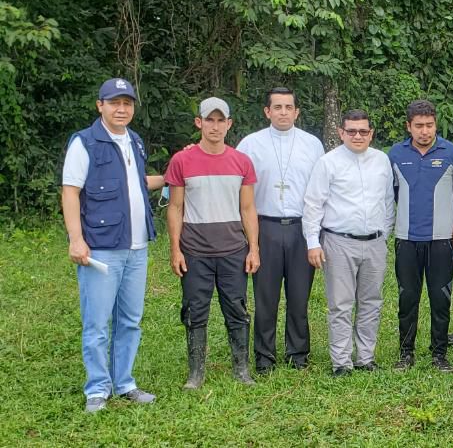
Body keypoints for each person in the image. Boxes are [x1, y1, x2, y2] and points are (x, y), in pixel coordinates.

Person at [61, 78, 165, 412]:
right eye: (114, 103)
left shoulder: (134, 141)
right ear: (100, 106)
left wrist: (173, 175)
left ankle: (124, 383)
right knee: (97, 322)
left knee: (130, 320)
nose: (122, 109)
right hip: (102, 248)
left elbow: (137, 183)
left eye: (127, 103)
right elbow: (70, 191)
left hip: (137, 248)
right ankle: (97, 389)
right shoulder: (85, 143)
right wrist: (76, 239)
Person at [165, 97, 260, 388]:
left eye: (221, 121)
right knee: (195, 311)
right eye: (209, 120)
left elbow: (247, 208)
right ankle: (196, 373)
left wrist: (253, 248)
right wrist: (175, 249)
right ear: (199, 123)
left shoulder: (241, 161)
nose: (215, 126)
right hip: (195, 251)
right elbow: (176, 208)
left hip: (233, 249)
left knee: (237, 309)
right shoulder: (182, 160)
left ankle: (241, 369)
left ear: (229, 124)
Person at [236, 87, 324, 373]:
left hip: (301, 227)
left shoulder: (312, 145)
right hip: (266, 227)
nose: (283, 112)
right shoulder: (250, 144)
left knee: (299, 296)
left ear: (297, 112)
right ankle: (264, 357)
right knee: (266, 297)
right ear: (267, 111)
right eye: (277, 107)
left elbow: (320, 189)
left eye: (289, 107)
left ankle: (298, 354)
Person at [302, 109, 395, 377]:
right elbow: (313, 203)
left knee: (371, 302)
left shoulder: (382, 161)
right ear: (341, 132)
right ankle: (341, 362)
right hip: (339, 242)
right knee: (340, 304)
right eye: (351, 131)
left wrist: (383, 235)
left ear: (371, 133)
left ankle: (365, 358)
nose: (357, 136)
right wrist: (312, 242)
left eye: (363, 131)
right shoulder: (328, 163)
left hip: (375, 243)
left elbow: (388, 201)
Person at [389, 100, 453, 371]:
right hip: (407, 240)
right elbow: (392, 195)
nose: (425, 131)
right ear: (408, 126)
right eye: (418, 126)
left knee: (440, 298)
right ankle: (405, 353)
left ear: (436, 124)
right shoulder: (395, 154)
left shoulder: (452, 153)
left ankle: (439, 354)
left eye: (429, 125)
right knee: (407, 298)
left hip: (442, 241)